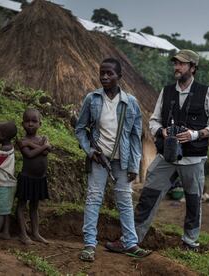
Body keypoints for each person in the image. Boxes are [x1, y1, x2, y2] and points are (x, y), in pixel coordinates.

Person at [133, 49, 209, 251]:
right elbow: (153, 120)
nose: (177, 67)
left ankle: (190, 243)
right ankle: (132, 239)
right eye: (175, 63)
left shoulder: (206, 92)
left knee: (193, 202)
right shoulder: (166, 91)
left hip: (193, 159)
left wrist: (195, 134)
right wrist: (161, 131)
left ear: (193, 68)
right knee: (148, 195)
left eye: (182, 64)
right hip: (167, 156)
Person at [75, 58, 150, 262]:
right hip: (99, 160)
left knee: (125, 201)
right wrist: (91, 151)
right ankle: (90, 245)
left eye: (110, 73)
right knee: (93, 198)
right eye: (102, 73)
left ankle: (130, 243)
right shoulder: (92, 99)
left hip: (122, 162)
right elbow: (80, 129)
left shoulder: (130, 102)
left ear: (119, 77)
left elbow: (136, 136)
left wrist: (135, 164)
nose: (105, 77)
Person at [16, 108, 50, 245]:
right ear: (22, 124)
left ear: (40, 124)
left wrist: (31, 144)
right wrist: (43, 146)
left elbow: (48, 151)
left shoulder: (43, 139)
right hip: (26, 178)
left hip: (39, 179)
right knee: (21, 205)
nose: (30, 124)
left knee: (35, 206)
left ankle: (35, 233)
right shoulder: (21, 140)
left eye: (34, 121)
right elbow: (29, 155)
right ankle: (23, 234)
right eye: (27, 121)